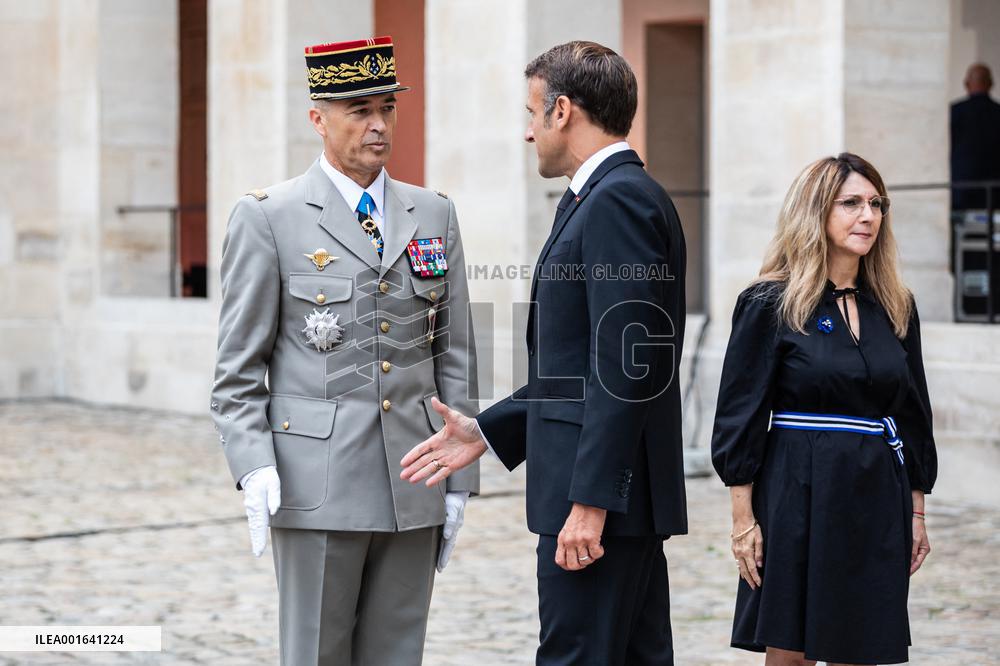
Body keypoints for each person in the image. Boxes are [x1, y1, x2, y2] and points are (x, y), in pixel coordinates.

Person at [400, 41, 687, 665]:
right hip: (608, 498)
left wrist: (590, 502)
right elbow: (582, 366)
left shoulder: (618, 200)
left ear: (562, 111)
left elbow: (626, 366)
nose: (528, 133)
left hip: (597, 506)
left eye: (532, 113)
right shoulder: (601, 197)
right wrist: (491, 430)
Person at [209, 36, 478, 666]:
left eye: (386, 107)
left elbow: (456, 352)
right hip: (316, 483)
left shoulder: (433, 213)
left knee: (397, 654)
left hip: (415, 476)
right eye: (359, 110)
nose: (378, 124)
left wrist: (459, 476)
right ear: (317, 118)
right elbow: (237, 373)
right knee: (316, 655)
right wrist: (254, 466)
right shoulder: (269, 217)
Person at [710, 153, 936, 666]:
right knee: (791, 651)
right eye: (852, 203)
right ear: (815, 212)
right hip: (796, 489)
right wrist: (744, 521)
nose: (869, 216)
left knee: (863, 646)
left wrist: (917, 510)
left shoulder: (897, 306)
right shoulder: (771, 302)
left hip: (877, 491)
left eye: (877, 204)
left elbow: (914, 414)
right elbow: (739, 414)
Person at [950, 63, 1000, 211]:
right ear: (991, 84)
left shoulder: (954, 112)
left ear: (966, 84)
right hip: (995, 191)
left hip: (961, 190)